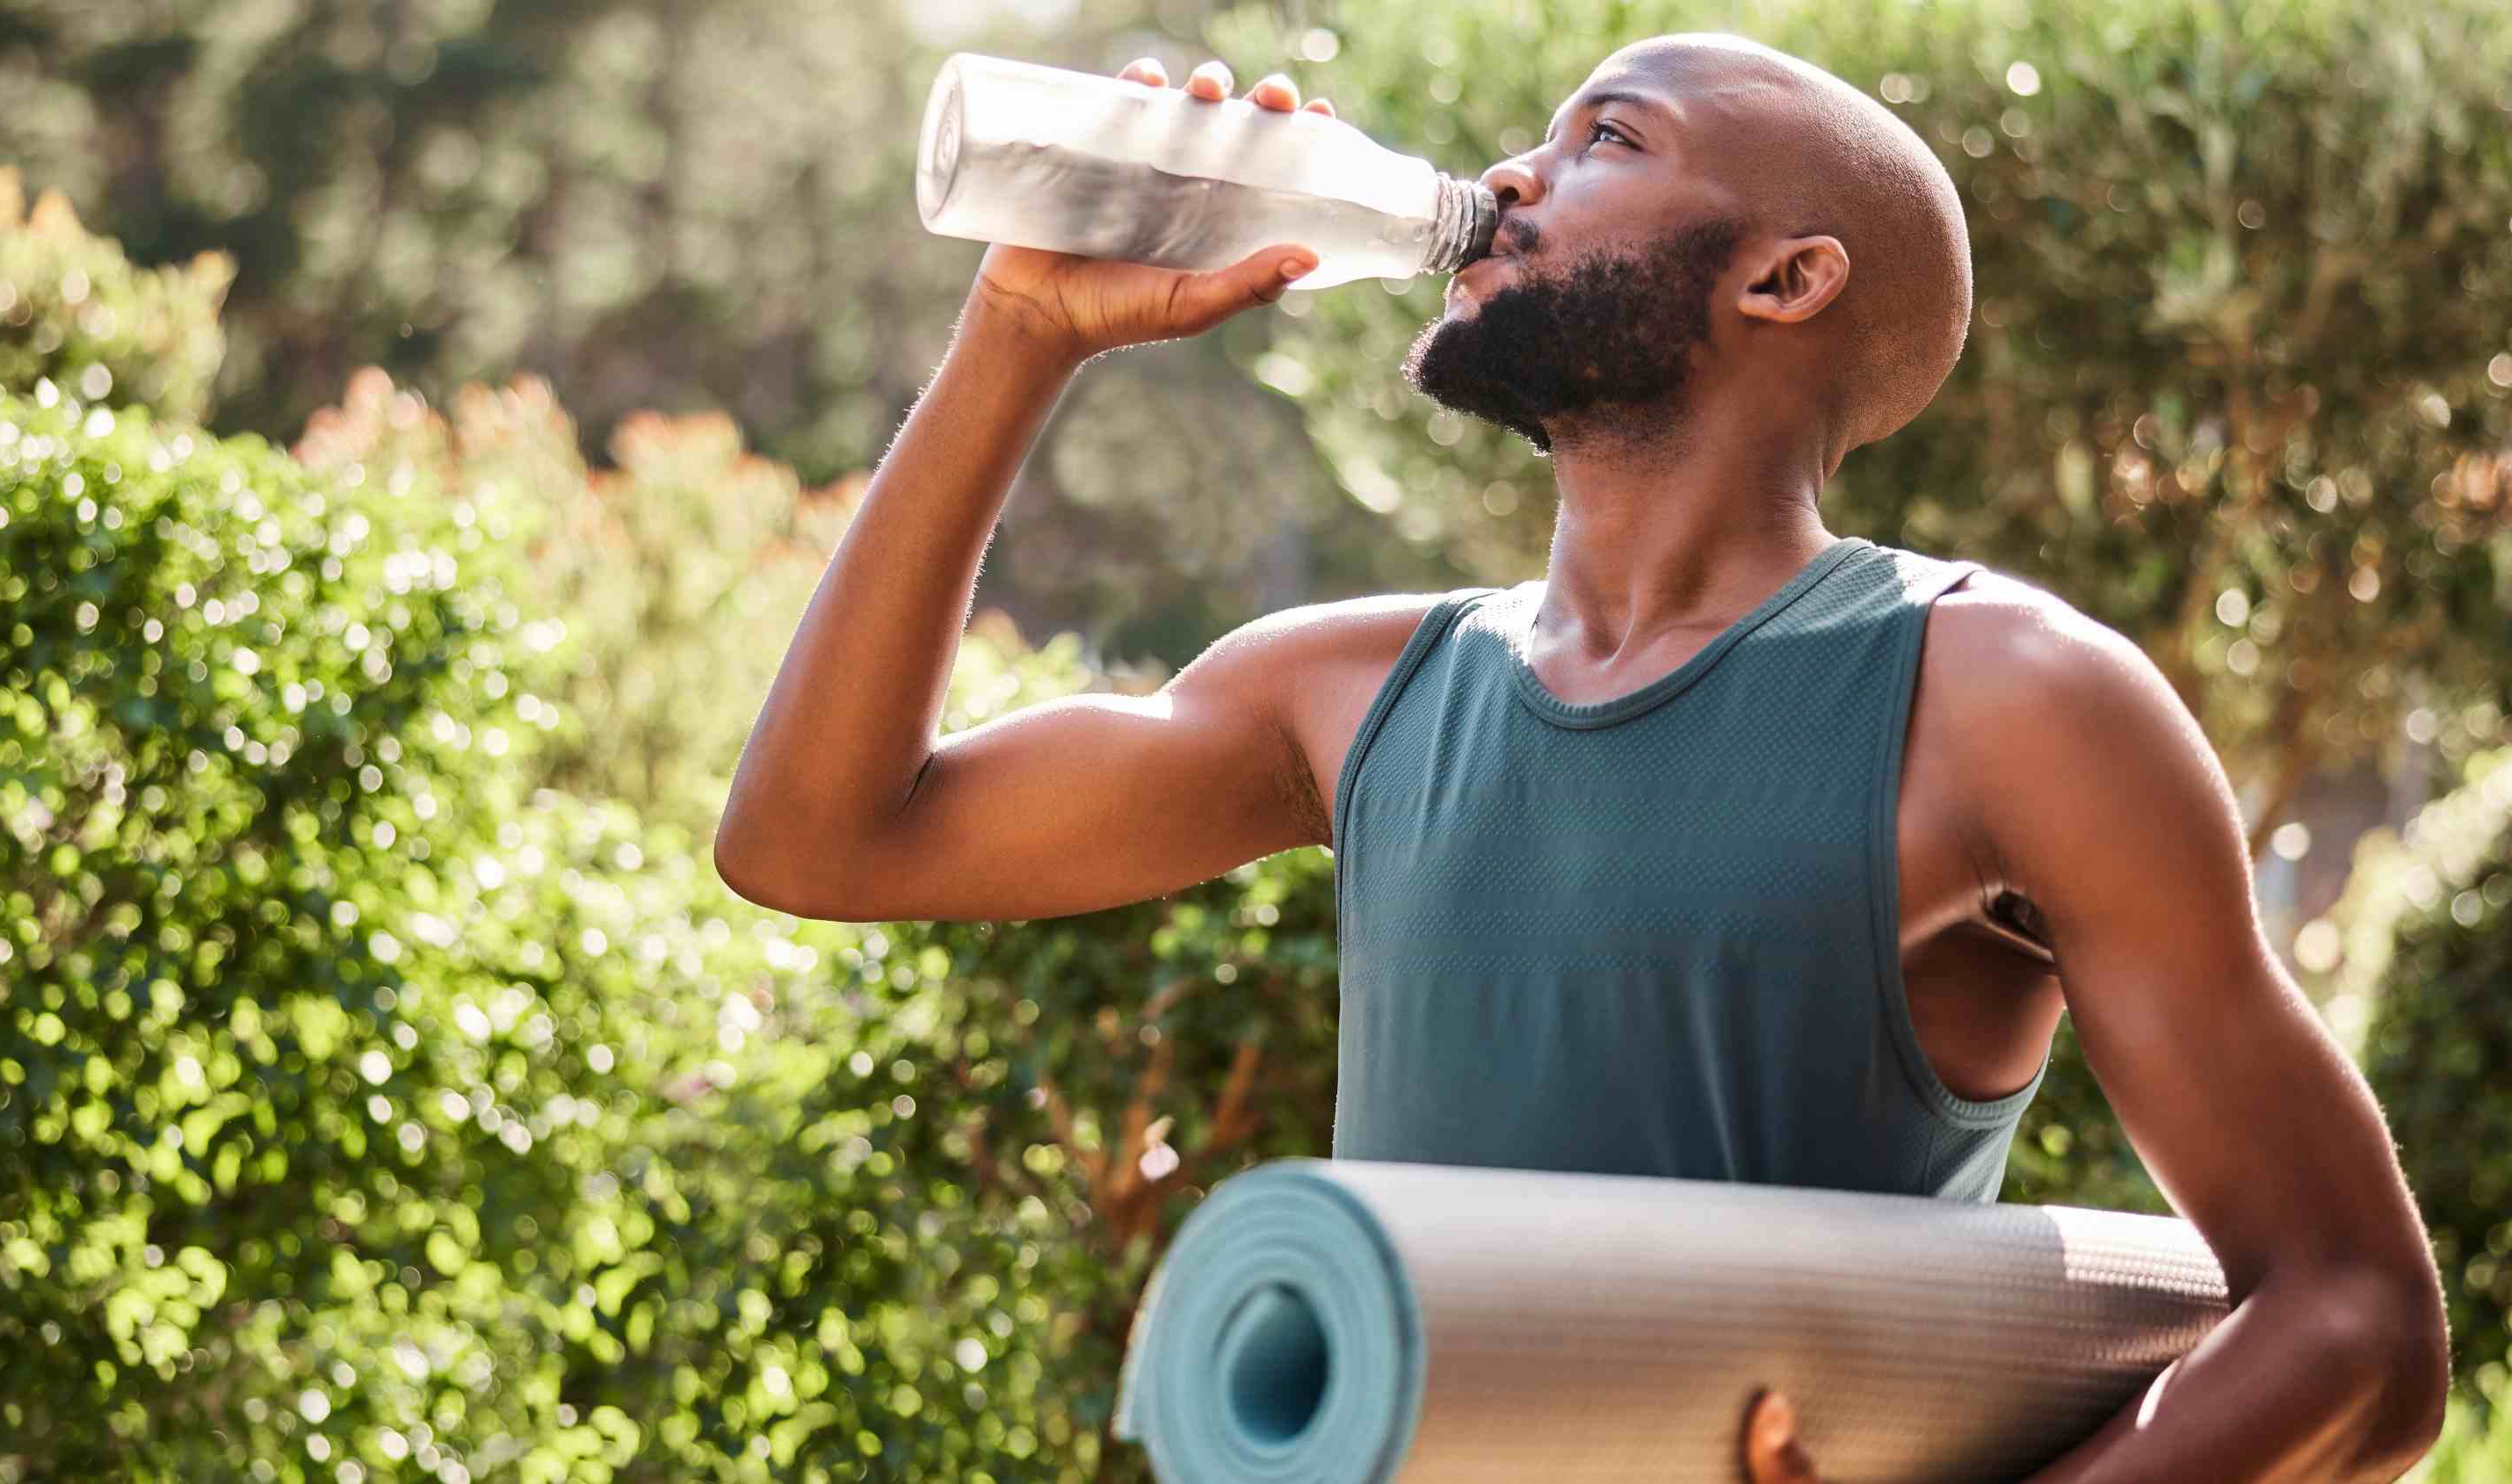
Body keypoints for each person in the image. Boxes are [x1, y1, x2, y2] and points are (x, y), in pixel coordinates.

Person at [715, 33, 2448, 1481]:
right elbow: (822, 839)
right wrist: (1019, 338)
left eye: (1607, 137)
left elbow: (2355, 1320)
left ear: (1786, 276)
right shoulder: (1347, 685)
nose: (1514, 177)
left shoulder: (2006, 694)